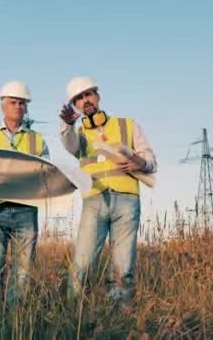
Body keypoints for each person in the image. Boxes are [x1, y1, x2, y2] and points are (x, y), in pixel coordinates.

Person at [59, 77, 157, 305]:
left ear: (98, 95)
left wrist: (140, 164)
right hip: (94, 202)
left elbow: (151, 159)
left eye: (88, 94)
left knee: (123, 267)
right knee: (81, 265)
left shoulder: (127, 125)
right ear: (75, 106)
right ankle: (75, 315)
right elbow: (69, 144)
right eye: (79, 99)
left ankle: (119, 315)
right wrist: (67, 124)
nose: (85, 101)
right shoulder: (78, 133)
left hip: (127, 202)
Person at [0, 80, 49, 303]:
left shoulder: (37, 139)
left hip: (26, 210)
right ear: (3, 105)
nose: (18, 106)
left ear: (26, 107)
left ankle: (12, 322)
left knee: (23, 273)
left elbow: (46, 172)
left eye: (22, 103)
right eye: (13, 102)